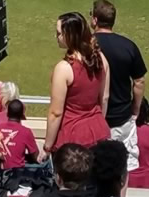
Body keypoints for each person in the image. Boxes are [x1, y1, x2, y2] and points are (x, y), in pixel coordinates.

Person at [88, 0, 148, 168]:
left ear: (95, 20)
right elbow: (139, 81)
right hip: (121, 118)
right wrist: (135, 110)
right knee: (123, 168)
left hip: (93, 117)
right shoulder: (128, 46)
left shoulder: (86, 46)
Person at [46, 11, 111, 153]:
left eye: (59, 33)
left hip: (72, 137)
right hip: (99, 131)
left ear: (70, 36)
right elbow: (104, 98)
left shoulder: (64, 68)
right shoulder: (100, 58)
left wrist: (47, 146)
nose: (56, 37)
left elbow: (55, 113)